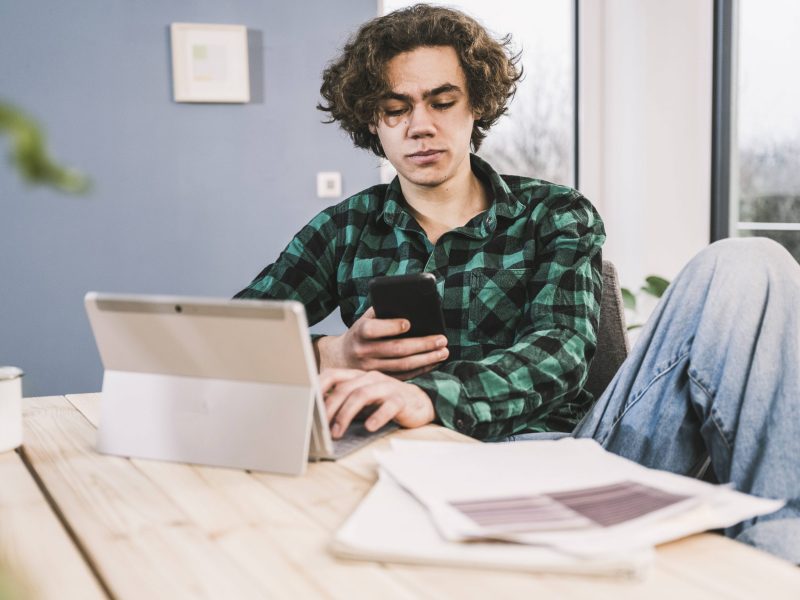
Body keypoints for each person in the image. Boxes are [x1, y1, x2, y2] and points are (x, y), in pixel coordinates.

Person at [235, 4, 800, 563]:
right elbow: (229, 340)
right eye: (395, 108)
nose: (421, 125)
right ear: (373, 121)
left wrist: (427, 396)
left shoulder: (554, 214)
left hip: (566, 458)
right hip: (402, 464)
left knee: (750, 262)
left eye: (442, 101)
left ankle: (778, 558)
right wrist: (330, 353)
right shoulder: (344, 227)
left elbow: (562, 352)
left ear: (475, 104)